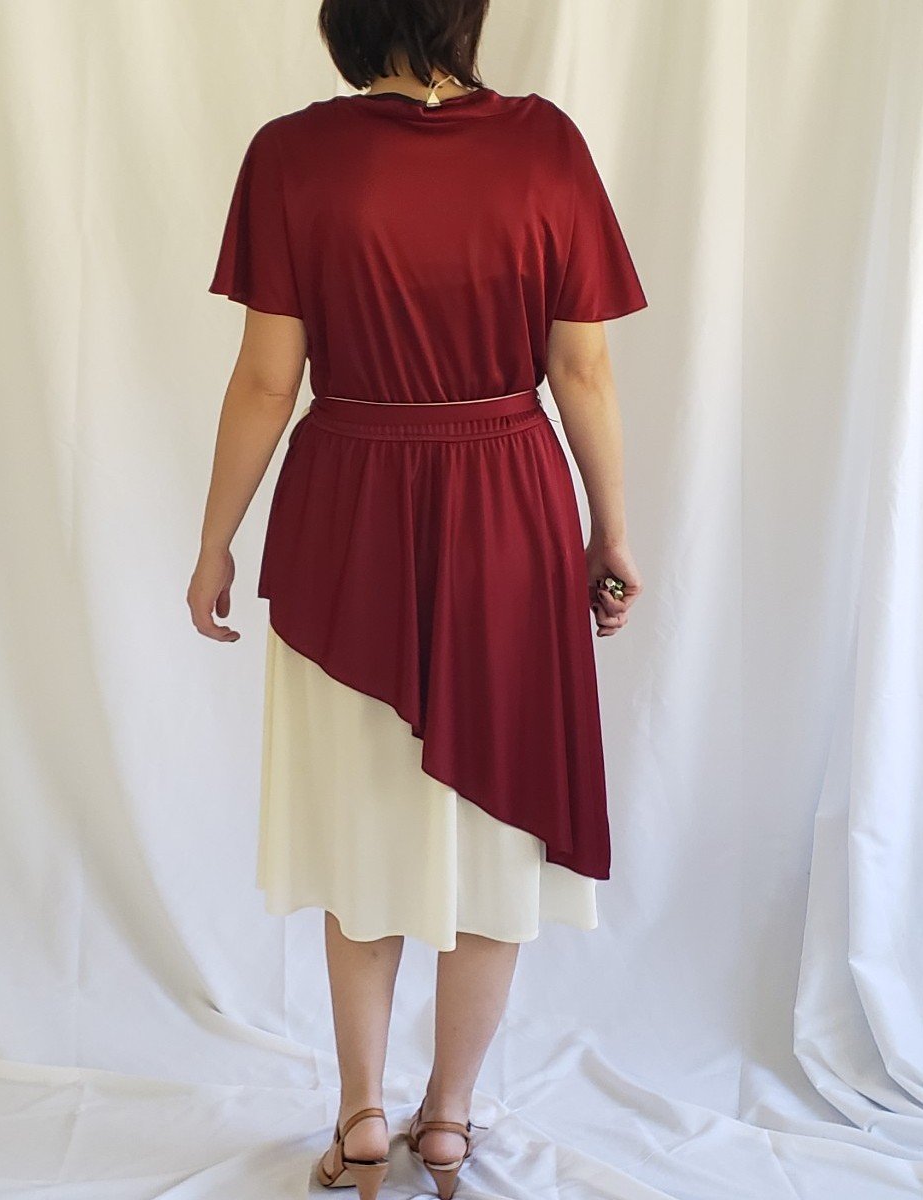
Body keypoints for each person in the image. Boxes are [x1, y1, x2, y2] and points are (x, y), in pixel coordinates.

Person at [188, 2, 647, 1195]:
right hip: (509, 506)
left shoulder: (293, 153)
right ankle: (448, 1118)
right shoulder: (546, 144)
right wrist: (612, 527)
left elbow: (264, 376)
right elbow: (581, 364)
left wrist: (215, 537)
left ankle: (360, 1117)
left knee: (358, 821)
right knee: (499, 824)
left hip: (349, 505)